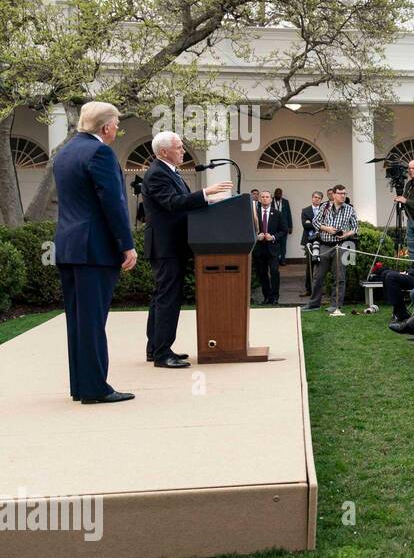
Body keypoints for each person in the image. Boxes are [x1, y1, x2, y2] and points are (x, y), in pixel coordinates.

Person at [52, 102, 137, 404]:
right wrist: (126, 244)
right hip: (94, 249)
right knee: (92, 321)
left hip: (68, 247)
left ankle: (82, 385)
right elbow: (112, 203)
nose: (116, 128)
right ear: (105, 127)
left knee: (78, 320)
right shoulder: (100, 153)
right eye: (115, 123)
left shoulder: (65, 152)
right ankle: (95, 388)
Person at [141, 131, 232, 367]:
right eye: (179, 147)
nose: (183, 150)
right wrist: (205, 193)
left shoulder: (171, 172)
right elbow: (173, 203)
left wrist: (208, 202)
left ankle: (156, 348)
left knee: (162, 297)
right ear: (164, 152)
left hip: (173, 244)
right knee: (167, 298)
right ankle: (162, 354)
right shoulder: (156, 174)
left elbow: (181, 204)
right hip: (166, 246)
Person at [303, 185, 359, 314]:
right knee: (317, 276)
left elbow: (355, 228)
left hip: (341, 245)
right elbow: (315, 222)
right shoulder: (324, 207)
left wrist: (346, 234)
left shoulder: (350, 209)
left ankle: (336, 305)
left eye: (344, 193)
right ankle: (313, 304)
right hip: (324, 245)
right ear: (333, 195)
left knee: (339, 276)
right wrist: (326, 228)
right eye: (340, 193)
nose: (343, 196)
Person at [252, 190, 286, 305]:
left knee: (274, 271)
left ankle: (275, 297)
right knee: (262, 273)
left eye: (267, 197)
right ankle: (267, 297)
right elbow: (248, 230)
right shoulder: (254, 214)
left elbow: (283, 231)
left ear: (271, 199)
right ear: (260, 199)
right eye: (263, 197)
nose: (265, 198)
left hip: (273, 248)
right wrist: (256, 237)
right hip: (259, 249)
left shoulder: (277, 213)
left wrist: (273, 237)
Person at [299, 191, 323, 295]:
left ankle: (319, 289)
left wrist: (311, 222)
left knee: (321, 265)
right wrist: (319, 225)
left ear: (321, 199)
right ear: (312, 198)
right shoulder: (305, 210)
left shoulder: (324, 210)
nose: (316, 199)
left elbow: (326, 223)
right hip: (308, 240)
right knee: (310, 265)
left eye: (319, 198)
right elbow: (305, 225)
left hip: (322, 240)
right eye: (315, 197)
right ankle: (309, 289)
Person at [271, 187, 292, 264]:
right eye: (277, 193)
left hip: (284, 226)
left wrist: (290, 227)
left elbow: (289, 214)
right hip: (273, 226)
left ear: (281, 194)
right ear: (274, 193)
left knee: (283, 244)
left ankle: (283, 260)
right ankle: (274, 260)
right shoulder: (270, 201)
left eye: (280, 193)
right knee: (273, 243)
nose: (278, 194)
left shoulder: (285, 202)